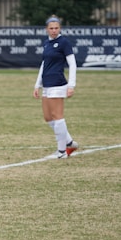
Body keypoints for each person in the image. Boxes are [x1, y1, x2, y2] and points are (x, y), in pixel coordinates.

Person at [33, 15, 79, 159]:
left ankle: (61, 152)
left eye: (56, 28)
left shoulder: (64, 42)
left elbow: (72, 64)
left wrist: (71, 85)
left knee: (57, 117)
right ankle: (70, 142)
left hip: (58, 83)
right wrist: (37, 84)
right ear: (47, 29)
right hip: (46, 84)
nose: (54, 31)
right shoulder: (47, 43)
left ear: (60, 28)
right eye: (51, 28)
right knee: (48, 118)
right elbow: (44, 64)